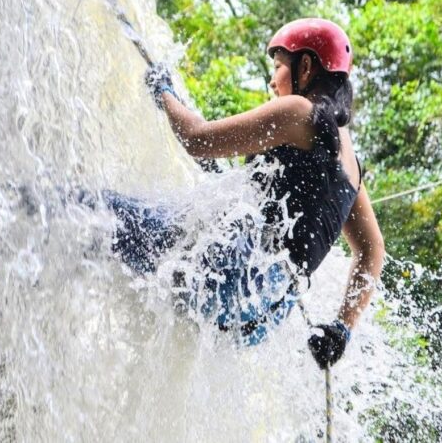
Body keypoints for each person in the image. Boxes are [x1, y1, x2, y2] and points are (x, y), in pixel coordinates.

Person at [105, 18, 384, 369]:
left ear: (307, 66)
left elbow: (197, 138)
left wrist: (164, 92)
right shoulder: (350, 163)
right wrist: (341, 330)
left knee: (92, 215)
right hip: (257, 315)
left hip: (229, 273)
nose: (272, 80)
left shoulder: (300, 112)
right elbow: (373, 250)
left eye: (279, 66)